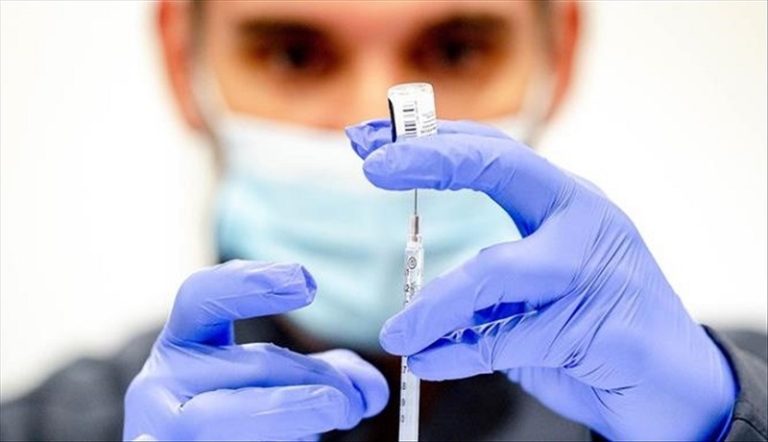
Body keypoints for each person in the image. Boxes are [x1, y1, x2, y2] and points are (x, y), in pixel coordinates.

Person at [1, 1, 766, 441]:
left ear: (558, 54)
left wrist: (725, 425)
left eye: (457, 49)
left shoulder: (708, 396)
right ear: (182, 60)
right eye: (294, 55)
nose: (379, 118)